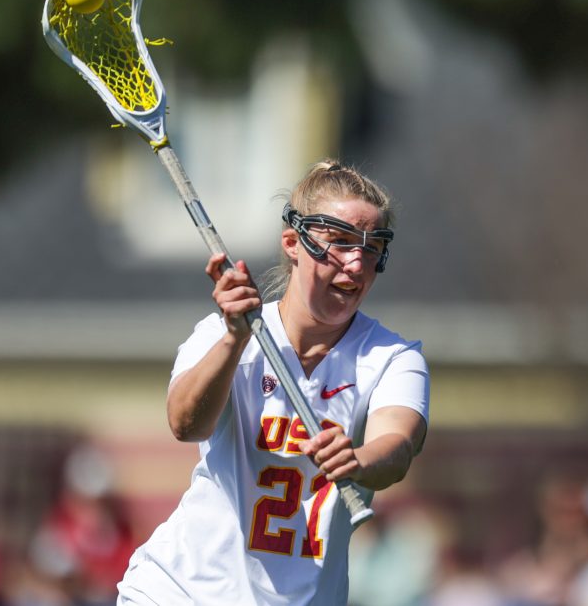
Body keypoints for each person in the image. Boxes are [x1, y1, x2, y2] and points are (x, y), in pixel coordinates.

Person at [117, 160, 430, 605]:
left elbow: (397, 447)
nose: (357, 264)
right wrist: (234, 339)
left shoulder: (393, 359)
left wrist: (357, 461)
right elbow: (186, 424)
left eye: (372, 247)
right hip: (181, 591)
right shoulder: (220, 333)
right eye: (340, 242)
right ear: (292, 244)